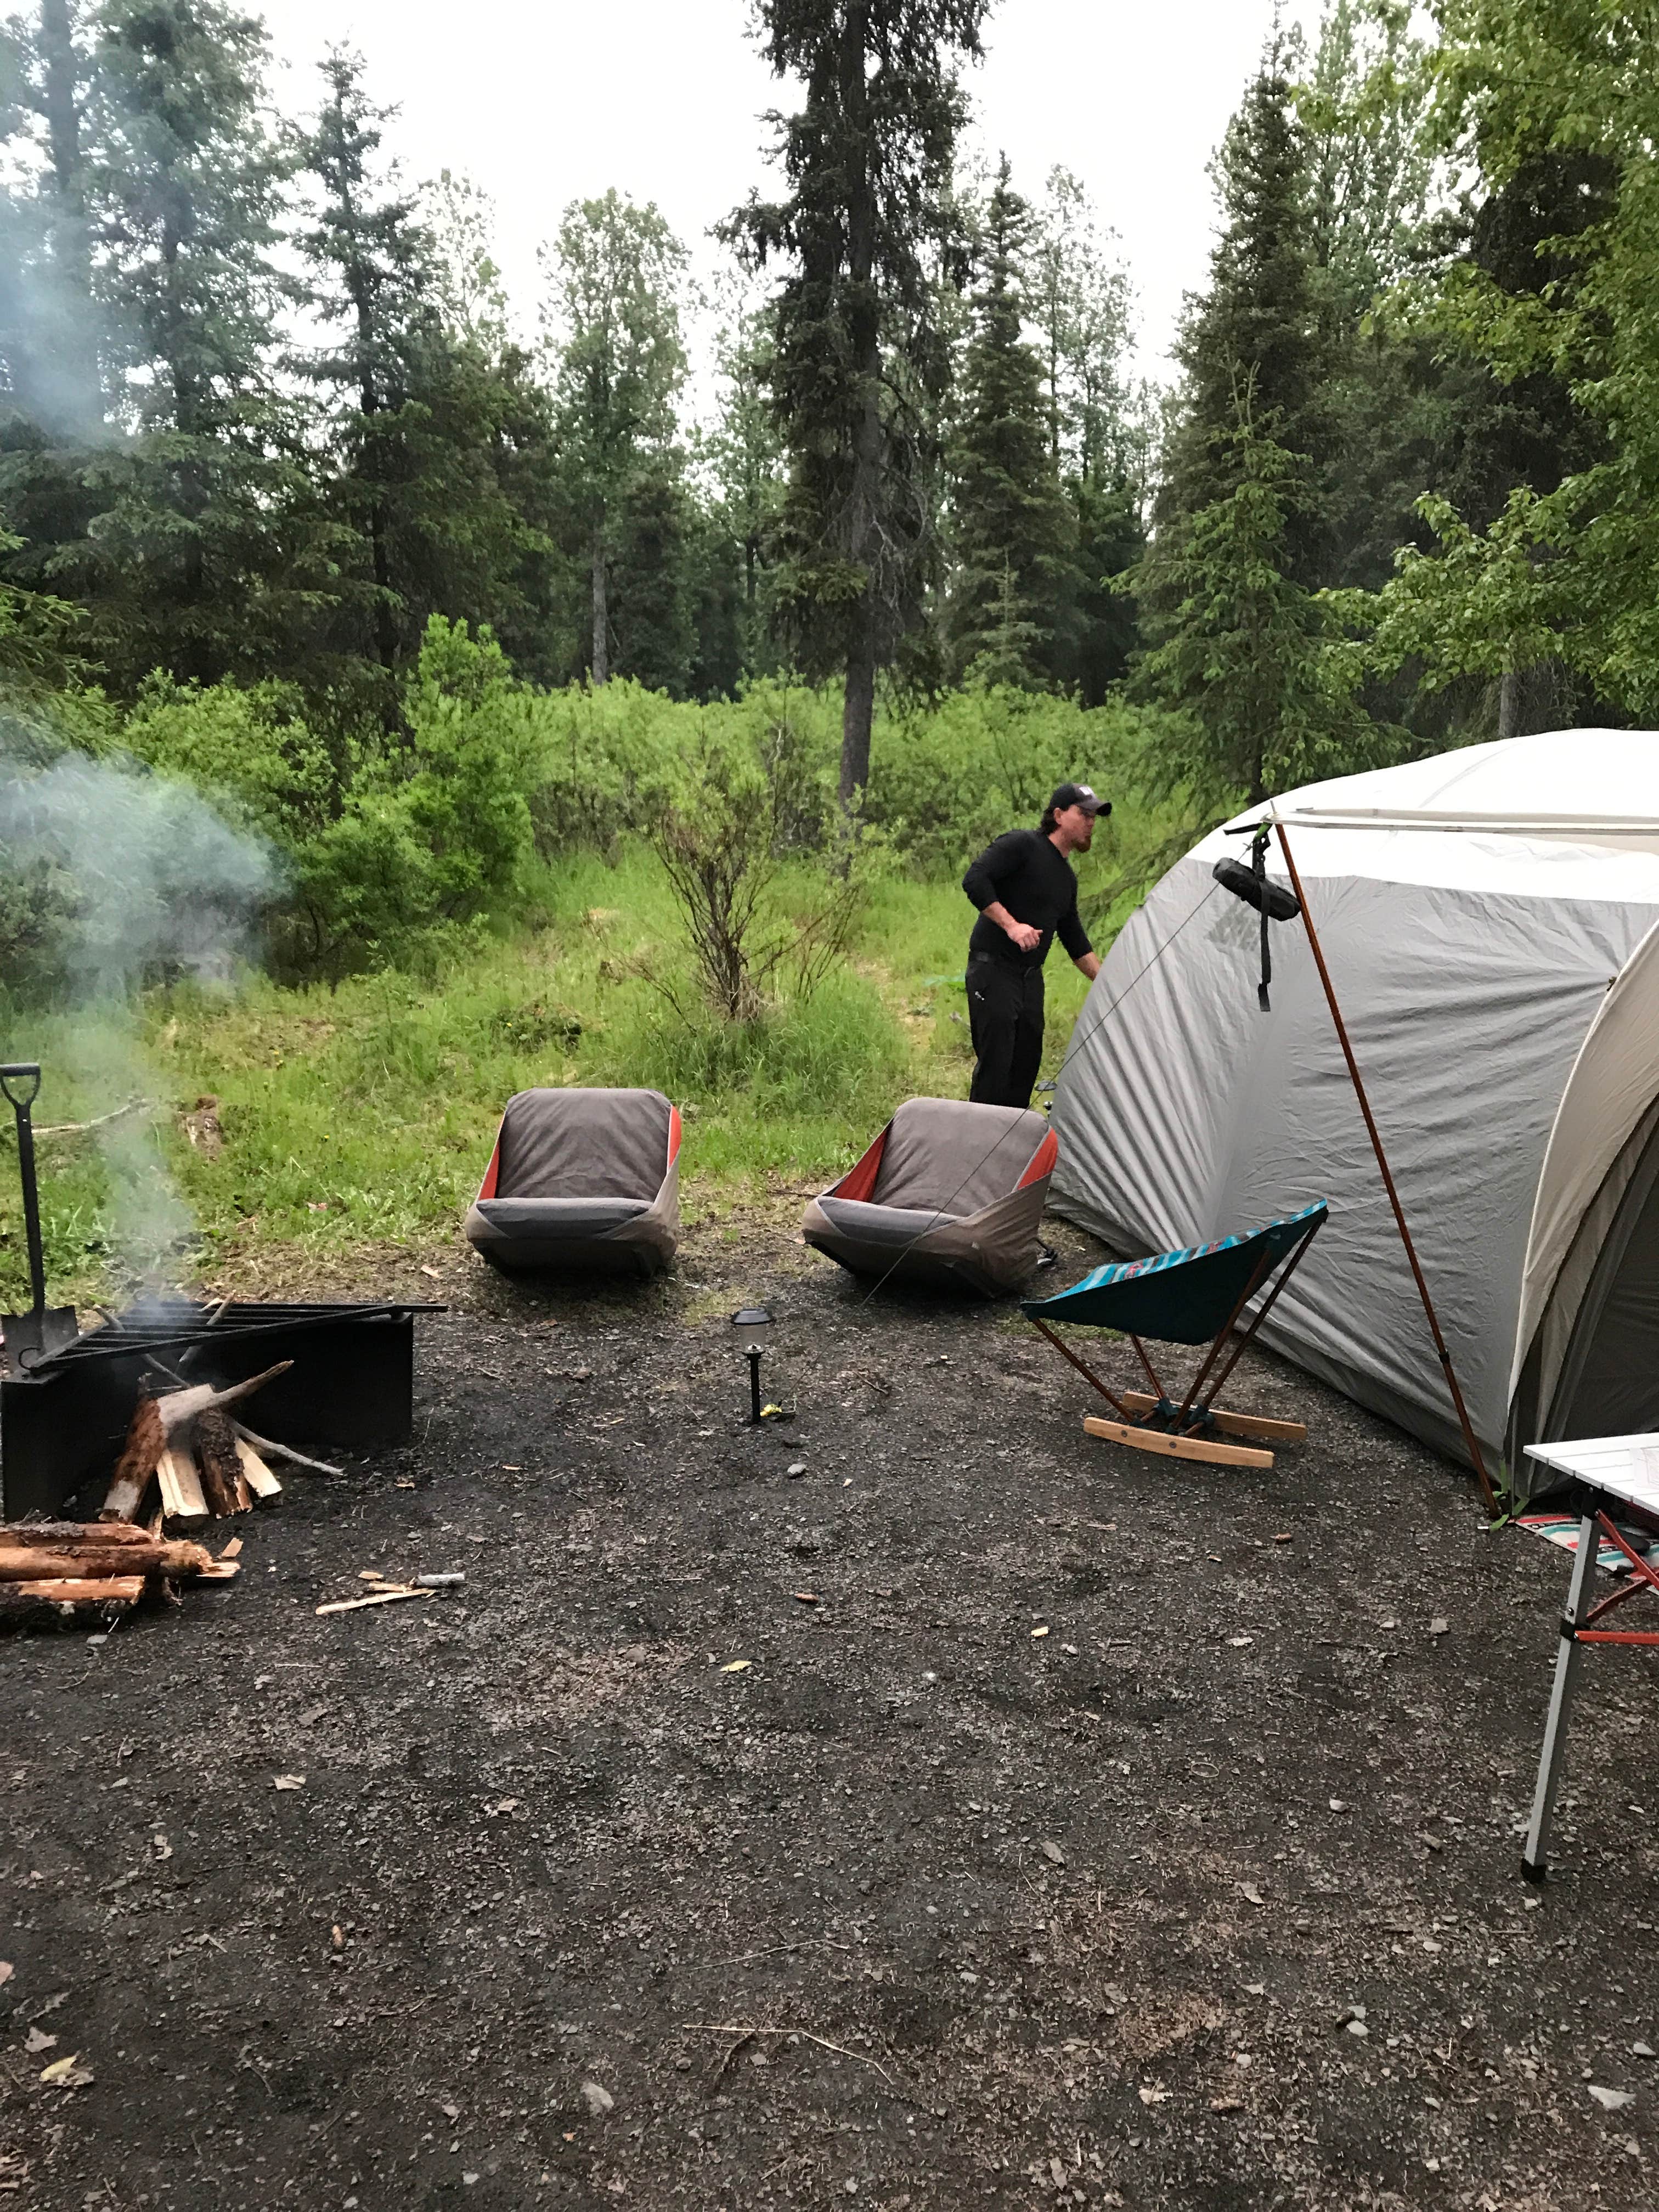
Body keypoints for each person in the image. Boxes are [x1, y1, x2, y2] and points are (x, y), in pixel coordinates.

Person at [960, 782, 1107, 1110]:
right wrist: (1011, 925)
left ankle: (1010, 1150)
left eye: (1094, 816)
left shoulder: (1066, 879)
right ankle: (977, 1148)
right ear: (1058, 814)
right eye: (1084, 814)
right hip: (993, 968)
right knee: (996, 1066)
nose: (1091, 822)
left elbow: (1075, 940)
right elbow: (975, 879)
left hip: (1030, 979)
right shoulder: (1022, 845)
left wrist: (1110, 982)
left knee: (1025, 1066)